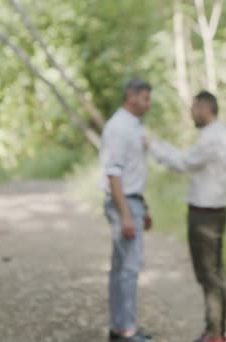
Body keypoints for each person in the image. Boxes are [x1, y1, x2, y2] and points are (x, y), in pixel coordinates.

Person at [146, 91, 226, 342]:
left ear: (206, 108)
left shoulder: (211, 137)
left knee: (208, 274)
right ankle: (225, 329)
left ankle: (214, 333)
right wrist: (161, 146)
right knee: (218, 270)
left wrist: (153, 147)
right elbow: (189, 158)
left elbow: (184, 163)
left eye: (194, 108)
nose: (191, 114)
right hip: (219, 210)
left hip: (204, 213)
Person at [100, 79, 154, 342]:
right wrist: (126, 214)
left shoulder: (133, 125)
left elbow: (133, 172)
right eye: (145, 98)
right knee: (129, 268)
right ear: (130, 97)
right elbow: (114, 173)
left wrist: (143, 207)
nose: (149, 103)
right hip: (123, 202)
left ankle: (119, 327)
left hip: (133, 200)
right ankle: (127, 330)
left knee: (121, 267)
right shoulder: (118, 127)